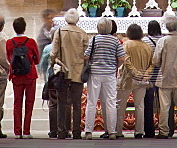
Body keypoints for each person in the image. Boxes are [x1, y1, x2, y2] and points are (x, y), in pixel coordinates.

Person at [50, 9, 89, 139]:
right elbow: (86, 55)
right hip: (77, 72)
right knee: (77, 104)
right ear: (77, 20)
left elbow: (53, 52)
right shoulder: (82, 33)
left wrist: (53, 63)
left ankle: (62, 131)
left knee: (62, 102)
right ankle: (76, 131)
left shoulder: (60, 32)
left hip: (63, 71)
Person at [84, 17, 125, 139]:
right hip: (110, 74)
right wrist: (115, 66)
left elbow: (86, 56)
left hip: (95, 74)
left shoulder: (94, 39)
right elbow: (122, 58)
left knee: (91, 101)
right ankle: (112, 131)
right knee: (111, 102)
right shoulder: (115, 41)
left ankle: (88, 131)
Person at [152, 17, 177, 139]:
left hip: (165, 78)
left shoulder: (163, 41)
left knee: (165, 106)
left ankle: (164, 131)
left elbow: (155, 60)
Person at [116, 23, 153, 138]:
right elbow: (152, 63)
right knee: (140, 105)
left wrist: (135, 72)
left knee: (121, 105)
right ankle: (139, 131)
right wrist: (145, 74)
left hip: (127, 78)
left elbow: (125, 60)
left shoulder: (126, 44)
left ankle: (117, 131)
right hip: (142, 79)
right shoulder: (147, 46)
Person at [6, 17, 40, 139]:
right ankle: (26, 131)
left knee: (17, 103)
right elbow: (37, 59)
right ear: (25, 28)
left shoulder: (9, 42)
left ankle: (17, 131)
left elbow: (9, 59)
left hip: (16, 75)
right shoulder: (31, 42)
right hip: (29, 74)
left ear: (14, 28)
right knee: (29, 103)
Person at [142, 20, 164, 138]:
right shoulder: (164, 40)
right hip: (161, 74)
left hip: (149, 75)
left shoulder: (145, 41)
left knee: (148, 103)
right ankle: (164, 128)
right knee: (164, 104)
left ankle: (149, 130)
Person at [38, 41, 59, 138]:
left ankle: (53, 130)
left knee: (53, 104)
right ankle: (64, 129)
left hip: (51, 79)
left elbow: (42, 64)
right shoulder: (64, 45)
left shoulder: (48, 48)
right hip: (64, 77)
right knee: (65, 104)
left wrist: (44, 76)